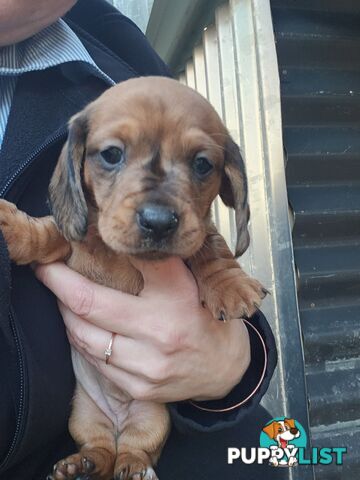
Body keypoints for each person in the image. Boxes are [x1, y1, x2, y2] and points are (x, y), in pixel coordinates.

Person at [0, 1, 280, 479]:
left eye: (200, 166)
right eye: (112, 155)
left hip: (173, 428)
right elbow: (57, 234)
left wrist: (238, 365)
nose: (156, 211)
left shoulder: (117, 46)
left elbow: (233, 325)